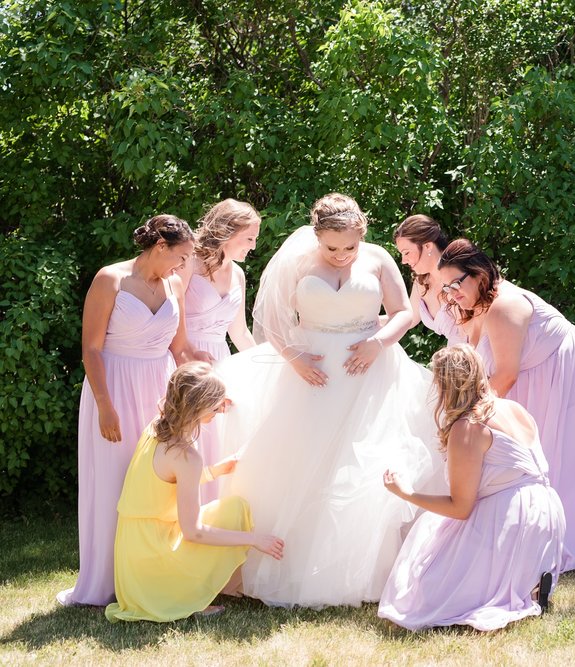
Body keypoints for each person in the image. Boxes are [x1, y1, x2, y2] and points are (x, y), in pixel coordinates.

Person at [215, 192, 442, 608]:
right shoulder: (298, 261)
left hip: (369, 372)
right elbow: (273, 319)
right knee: (301, 464)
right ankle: (294, 567)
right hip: (312, 374)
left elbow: (404, 312)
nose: (340, 255)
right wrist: (295, 358)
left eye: (349, 247)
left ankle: (371, 570)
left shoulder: (378, 259)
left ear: (363, 235)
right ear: (316, 237)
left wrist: (378, 342)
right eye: (331, 247)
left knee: (366, 464)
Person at [58, 214, 206, 607]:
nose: (183, 266)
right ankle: (106, 581)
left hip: (160, 390)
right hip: (114, 388)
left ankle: (153, 573)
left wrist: (202, 383)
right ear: (160, 246)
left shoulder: (175, 282)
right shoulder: (111, 280)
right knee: (113, 481)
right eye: (181, 256)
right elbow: (91, 348)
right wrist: (105, 407)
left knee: (156, 482)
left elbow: (180, 349)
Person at [436, 238, 575, 571]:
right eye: (446, 288)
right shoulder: (471, 307)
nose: (451, 294)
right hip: (533, 373)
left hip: (562, 368)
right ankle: (528, 540)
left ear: (480, 274)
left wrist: (469, 422)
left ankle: (568, 541)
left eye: (455, 284)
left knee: (562, 455)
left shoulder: (504, 306)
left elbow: (505, 374)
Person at [379, 344, 565, 631]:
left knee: (423, 589)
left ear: (444, 385)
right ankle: (526, 578)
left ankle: (504, 583)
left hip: (513, 517)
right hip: (546, 513)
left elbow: (460, 507)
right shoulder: (514, 408)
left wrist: (406, 493)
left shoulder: (467, 427)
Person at [105, 362, 284, 622]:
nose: (218, 413)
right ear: (197, 407)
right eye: (214, 408)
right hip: (153, 567)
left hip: (133, 566)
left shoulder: (156, 426)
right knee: (237, 511)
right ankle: (190, 595)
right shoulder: (186, 456)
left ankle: (215, 587)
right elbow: (193, 532)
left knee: (232, 507)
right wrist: (253, 538)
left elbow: (163, 481)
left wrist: (216, 471)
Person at [179, 199, 261, 500]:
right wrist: (186, 355)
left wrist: (266, 361)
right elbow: (173, 317)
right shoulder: (189, 263)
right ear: (228, 232)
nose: (252, 246)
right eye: (249, 238)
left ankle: (211, 513)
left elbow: (238, 331)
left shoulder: (238, 274)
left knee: (218, 439)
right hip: (186, 359)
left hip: (221, 362)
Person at [392, 214, 466, 346]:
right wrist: (365, 323)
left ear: (427, 246)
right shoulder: (421, 282)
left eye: (407, 252)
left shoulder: (460, 278)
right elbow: (408, 318)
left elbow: (471, 333)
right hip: (456, 354)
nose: (403, 261)